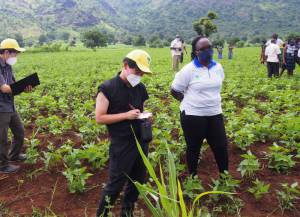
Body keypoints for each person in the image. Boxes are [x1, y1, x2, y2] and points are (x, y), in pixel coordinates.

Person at [95, 49, 152, 217]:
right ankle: (102, 214)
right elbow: (100, 117)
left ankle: (126, 213)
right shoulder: (107, 88)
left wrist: (145, 116)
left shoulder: (140, 87)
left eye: (143, 72)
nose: (140, 75)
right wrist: (126, 116)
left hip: (140, 140)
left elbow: (140, 109)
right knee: (115, 184)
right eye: (137, 71)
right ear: (126, 66)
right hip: (121, 143)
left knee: (138, 180)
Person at [171, 36, 228, 177]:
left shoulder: (218, 67)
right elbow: (174, 90)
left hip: (215, 113)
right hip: (193, 116)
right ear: (196, 52)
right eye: (203, 49)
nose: (207, 51)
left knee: (221, 146)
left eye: (209, 47)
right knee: (194, 148)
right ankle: (193, 177)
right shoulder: (188, 70)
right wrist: (188, 102)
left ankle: (224, 176)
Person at [0, 38, 32, 174]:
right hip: (1, 108)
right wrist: (18, 87)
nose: (16, 56)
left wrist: (25, 86)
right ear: (6, 52)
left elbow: (13, 83)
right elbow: (5, 88)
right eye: (15, 53)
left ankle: (14, 155)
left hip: (10, 105)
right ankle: (3, 165)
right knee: (2, 138)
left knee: (19, 132)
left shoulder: (8, 66)